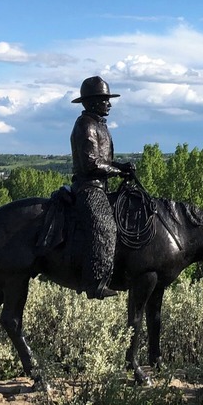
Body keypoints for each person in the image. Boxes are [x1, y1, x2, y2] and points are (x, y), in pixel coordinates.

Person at [69, 76, 135, 299]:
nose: (109, 104)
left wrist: (121, 167)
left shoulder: (99, 125)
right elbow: (91, 163)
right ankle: (94, 282)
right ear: (94, 101)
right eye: (105, 99)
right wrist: (118, 170)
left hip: (100, 186)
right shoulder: (86, 125)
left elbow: (101, 160)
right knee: (104, 227)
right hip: (89, 188)